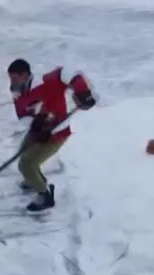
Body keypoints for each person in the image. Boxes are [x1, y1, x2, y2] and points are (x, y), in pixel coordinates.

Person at [7, 58, 96, 212]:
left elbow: (67, 72)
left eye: (15, 78)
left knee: (26, 164)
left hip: (57, 133)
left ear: (25, 74)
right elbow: (22, 114)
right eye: (11, 78)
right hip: (39, 129)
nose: (12, 82)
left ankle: (45, 196)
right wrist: (36, 127)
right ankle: (33, 180)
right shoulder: (18, 92)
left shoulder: (47, 81)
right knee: (24, 152)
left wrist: (84, 92)